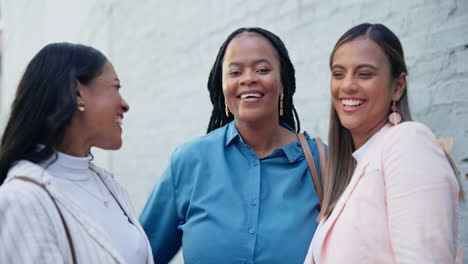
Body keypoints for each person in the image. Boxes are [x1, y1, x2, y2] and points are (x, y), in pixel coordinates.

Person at [140, 27, 324, 264]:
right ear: (223, 85)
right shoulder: (189, 161)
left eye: (262, 70)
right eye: (235, 72)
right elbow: (141, 256)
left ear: (283, 82)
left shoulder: (324, 164)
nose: (248, 79)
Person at [305, 23, 464, 263]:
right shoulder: (358, 166)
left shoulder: (408, 143)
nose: (347, 85)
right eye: (338, 73)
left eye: (364, 74)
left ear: (397, 87)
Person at [0, 43, 153, 263]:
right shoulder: (21, 199)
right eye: (116, 87)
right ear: (77, 92)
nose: (125, 104)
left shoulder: (107, 186)